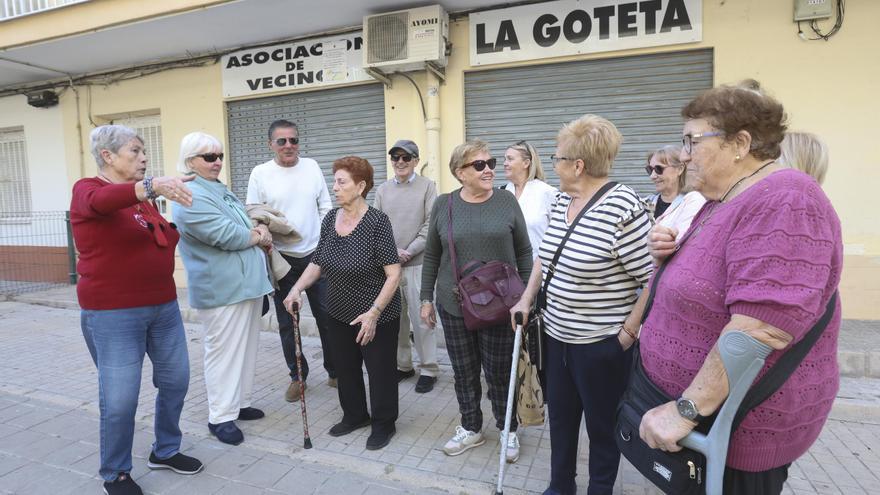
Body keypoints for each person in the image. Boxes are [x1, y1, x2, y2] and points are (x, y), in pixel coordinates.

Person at [639, 81, 842, 494]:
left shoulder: (788, 198)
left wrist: (686, 410)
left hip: (734, 433)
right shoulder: (725, 200)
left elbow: (762, 326)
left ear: (740, 143)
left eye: (691, 140)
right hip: (708, 432)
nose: (682, 154)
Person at [509, 115, 653, 494]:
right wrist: (526, 298)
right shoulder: (562, 201)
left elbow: (653, 279)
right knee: (562, 418)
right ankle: (560, 486)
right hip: (557, 339)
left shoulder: (624, 208)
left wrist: (626, 334)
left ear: (578, 165)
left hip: (601, 346)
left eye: (556, 159)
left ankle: (599, 490)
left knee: (602, 428)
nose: (552, 165)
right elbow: (545, 256)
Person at [71, 125, 203, 495]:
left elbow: (158, 237)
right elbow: (100, 203)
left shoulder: (142, 202)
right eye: (135, 151)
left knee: (176, 380)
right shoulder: (87, 189)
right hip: (113, 314)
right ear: (108, 156)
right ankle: (115, 472)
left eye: (144, 151)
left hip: (163, 308)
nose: (144, 157)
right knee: (120, 400)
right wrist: (152, 187)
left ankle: (166, 450)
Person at [420, 139, 533, 463]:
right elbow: (432, 256)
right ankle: (471, 427)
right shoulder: (444, 204)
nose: (489, 170)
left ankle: (507, 428)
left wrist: (525, 299)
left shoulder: (506, 202)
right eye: (479, 165)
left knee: (499, 372)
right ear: (460, 172)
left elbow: (524, 251)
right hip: (455, 304)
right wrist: (426, 299)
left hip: (501, 306)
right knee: (464, 372)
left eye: (491, 162)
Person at [284, 156, 402, 451]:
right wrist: (296, 288)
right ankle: (355, 415)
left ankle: (384, 423)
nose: (334, 187)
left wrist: (373, 313)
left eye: (341, 182)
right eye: (334, 180)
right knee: (346, 368)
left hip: (376, 312)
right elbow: (318, 262)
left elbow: (393, 273)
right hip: (337, 310)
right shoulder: (329, 220)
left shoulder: (377, 222)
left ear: (360, 186)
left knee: (380, 371)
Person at [172, 132, 273, 446]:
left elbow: (244, 224)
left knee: (245, 349)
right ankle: (220, 416)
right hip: (222, 289)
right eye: (209, 157)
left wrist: (254, 229)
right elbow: (229, 235)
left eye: (219, 156)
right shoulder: (189, 194)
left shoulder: (216, 189)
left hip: (246, 286)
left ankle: (239, 404)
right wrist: (257, 234)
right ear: (190, 161)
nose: (217, 162)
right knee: (224, 353)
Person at [246, 119, 336, 402]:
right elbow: (253, 212)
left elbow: (326, 207)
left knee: (328, 318)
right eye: (282, 141)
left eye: (293, 140)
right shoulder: (260, 173)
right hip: (282, 259)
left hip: (316, 257)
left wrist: (323, 243)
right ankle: (298, 377)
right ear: (270, 144)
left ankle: (336, 371)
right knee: (288, 322)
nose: (289, 146)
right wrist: (265, 238)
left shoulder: (311, 167)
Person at [373, 139, 440, 393]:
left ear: (416, 161)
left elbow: (430, 224)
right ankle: (403, 366)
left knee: (422, 318)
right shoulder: (382, 190)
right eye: (395, 157)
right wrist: (390, 254)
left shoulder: (427, 187)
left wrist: (408, 251)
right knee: (395, 320)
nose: (400, 162)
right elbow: (376, 225)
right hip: (389, 267)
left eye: (406, 157)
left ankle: (429, 368)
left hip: (417, 264)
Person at [503, 140, 558, 257]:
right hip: (508, 271)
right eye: (505, 159)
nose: (505, 163)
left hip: (540, 270)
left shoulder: (548, 193)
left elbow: (560, 236)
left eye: (510, 159)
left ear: (526, 163)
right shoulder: (501, 193)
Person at [644, 144, 706, 236]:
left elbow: (681, 240)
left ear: (680, 169)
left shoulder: (693, 201)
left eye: (658, 169)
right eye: (650, 169)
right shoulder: (646, 203)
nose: (652, 176)